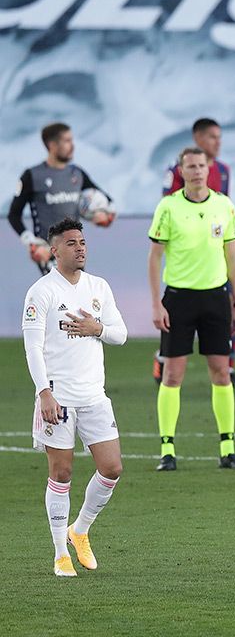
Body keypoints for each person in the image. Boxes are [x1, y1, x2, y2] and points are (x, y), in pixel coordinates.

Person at [23, 219, 128, 577]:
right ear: (54, 250)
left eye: (82, 242)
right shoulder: (42, 292)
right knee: (62, 472)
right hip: (59, 398)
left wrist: (96, 328)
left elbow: (120, 335)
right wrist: (44, 393)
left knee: (112, 467)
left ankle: (79, 530)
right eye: (71, 243)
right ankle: (59, 554)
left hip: (94, 396)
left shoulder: (99, 287)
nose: (80, 248)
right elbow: (33, 347)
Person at [148, 147, 235, 471]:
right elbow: (155, 257)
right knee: (173, 374)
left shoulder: (224, 205)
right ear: (181, 171)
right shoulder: (168, 207)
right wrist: (156, 303)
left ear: (209, 168)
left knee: (221, 371)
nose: (197, 171)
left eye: (201, 166)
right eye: (190, 166)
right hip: (179, 299)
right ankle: (167, 451)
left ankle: (228, 448)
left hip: (216, 298)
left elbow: (232, 256)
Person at [157, 117, 235, 387]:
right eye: (212, 137)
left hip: (215, 250)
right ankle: (163, 360)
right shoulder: (175, 171)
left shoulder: (224, 170)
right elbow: (170, 205)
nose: (217, 143)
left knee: (231, 305)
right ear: (197, 139)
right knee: (178, 322)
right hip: (186, 254)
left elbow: (223, 208)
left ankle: (227, 368)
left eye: (220, 137)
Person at [9, 123, 115, 276]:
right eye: (67, 141)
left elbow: (107, 202)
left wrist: (103, 215)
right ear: (52, 145)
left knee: (75, 295)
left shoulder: (77, 174)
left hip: (76, 249)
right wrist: (32, 243)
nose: (72, 146)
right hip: (50, 251)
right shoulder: (32, 176)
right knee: (64, 292)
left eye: (72, 140)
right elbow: (14, 215)